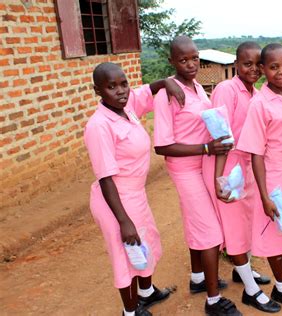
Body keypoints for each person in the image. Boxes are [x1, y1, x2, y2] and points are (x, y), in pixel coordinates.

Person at [84, 62, 185, 316]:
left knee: (145, 242)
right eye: (111, 87)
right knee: (125, 255)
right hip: (115, 201)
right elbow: (106, 178)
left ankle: (146, 292)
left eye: (123, 83)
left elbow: (146, 90)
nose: (120, 91)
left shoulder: (125, 108)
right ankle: (130, 312)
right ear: (97, 90)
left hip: (135, 195)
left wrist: (165, 82)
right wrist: (124, 221)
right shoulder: (99, 126)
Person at [153, 36, 241, 316]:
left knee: (196, 224)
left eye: (194, 58)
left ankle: (198, 279)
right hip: (185, 169)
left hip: (202, 165)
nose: (191, 64)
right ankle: (213, 301)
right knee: (210, 232)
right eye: (183, 60)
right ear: (172, 61)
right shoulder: (167, 94)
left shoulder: (198, 88)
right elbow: (162, 145)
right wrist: (205, 147)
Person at [201, 41, 280, 313]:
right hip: (228, 166)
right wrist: (219, 179)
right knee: (234, 229)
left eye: (258, 64)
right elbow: (220, 136)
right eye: (247, 64)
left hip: (245, 166)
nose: (254, 69)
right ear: (236, 64)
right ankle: (251, 290)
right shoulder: (227, 90)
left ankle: (242, 272)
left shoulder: (255, 92)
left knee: (246, 224)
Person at [236, 43, 282, 313]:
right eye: (274, 67)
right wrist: (265, 196)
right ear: (263, 70)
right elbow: (256, 153)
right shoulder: (259, 104)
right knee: (275, 236)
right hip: (274, 179)